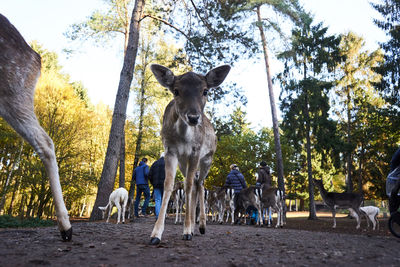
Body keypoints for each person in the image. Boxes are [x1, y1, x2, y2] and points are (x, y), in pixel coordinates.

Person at [148, 152, 165, 220]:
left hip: (156, 185)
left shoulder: (155, 163)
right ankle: (163, 216)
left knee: (158, 200)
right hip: (165, 185)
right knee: (164, 201)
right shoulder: (168, 163)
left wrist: (153, 183)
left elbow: (149, 175)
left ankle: (158, 217)